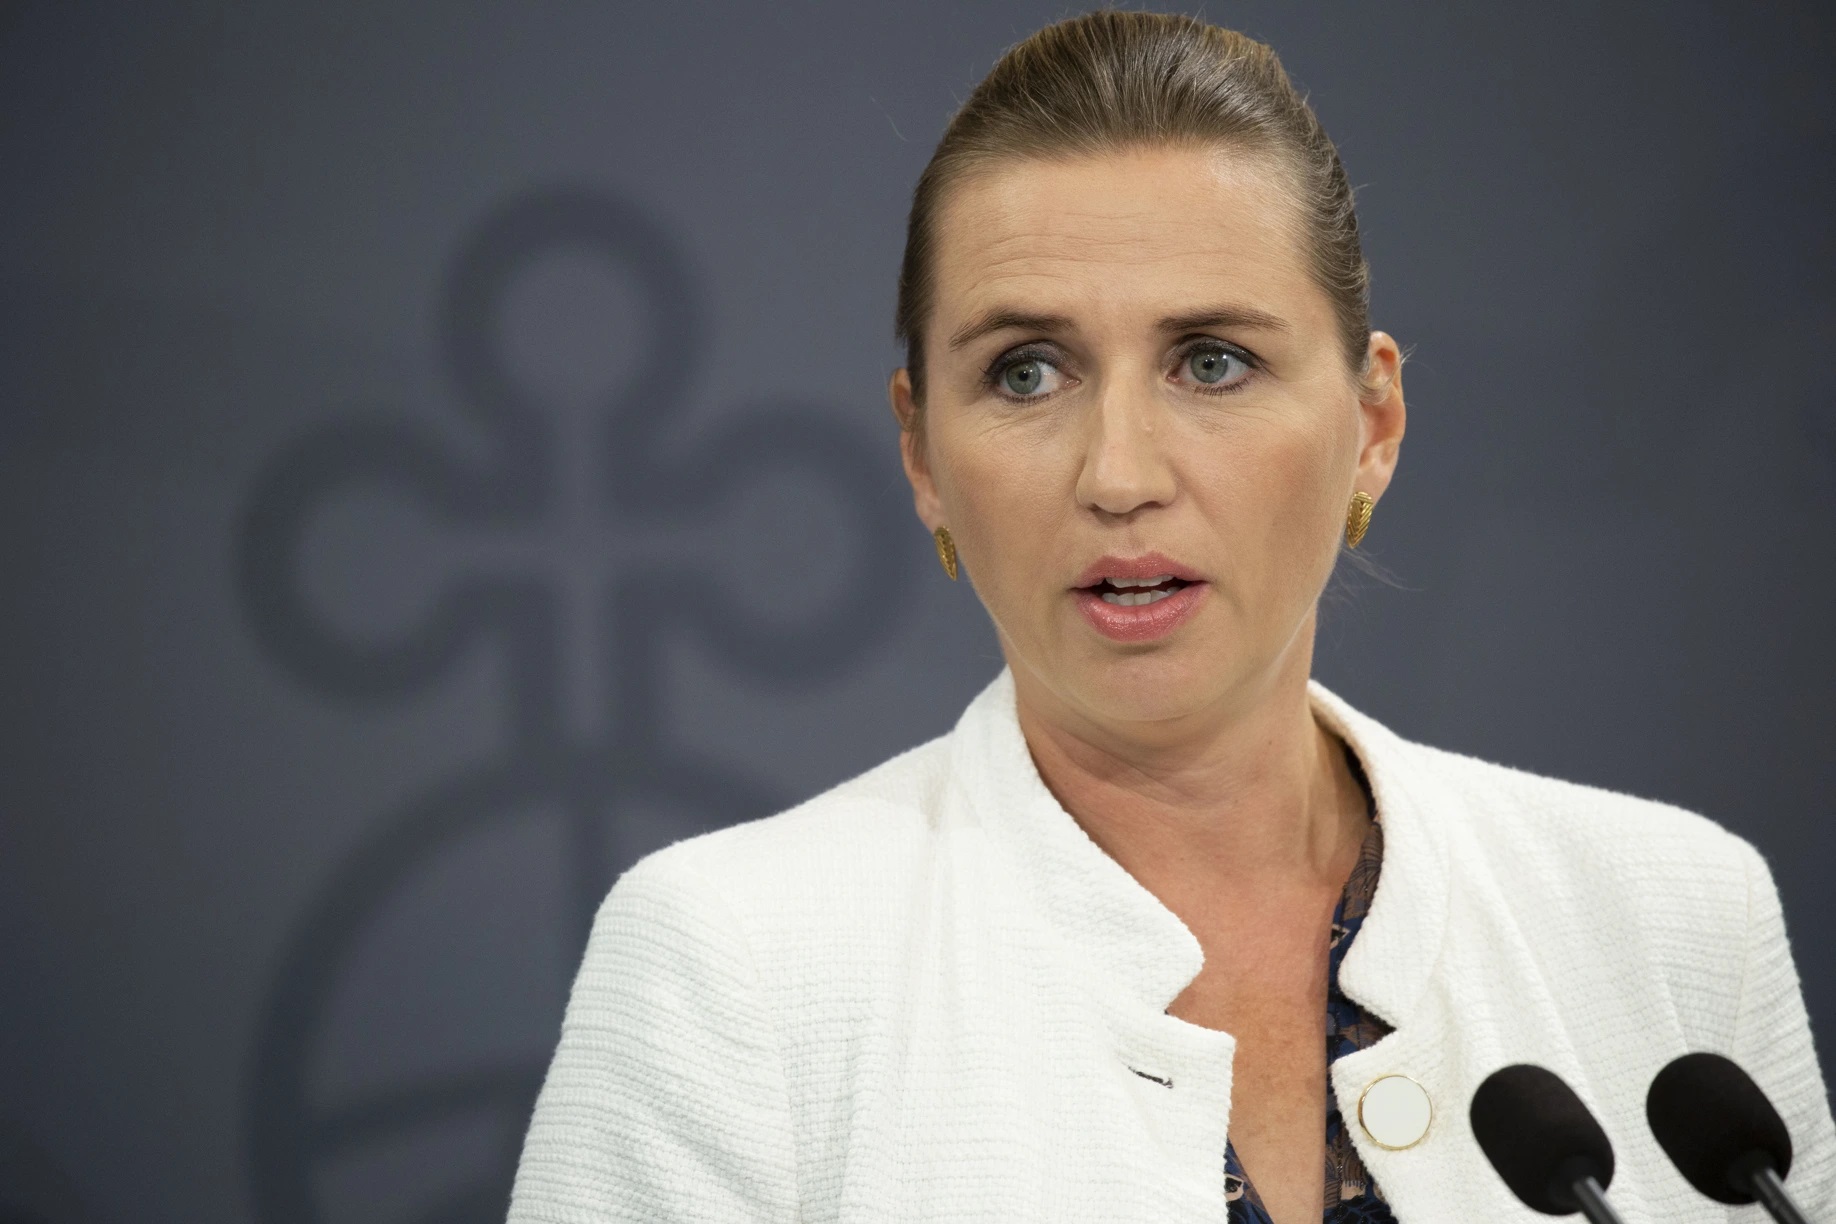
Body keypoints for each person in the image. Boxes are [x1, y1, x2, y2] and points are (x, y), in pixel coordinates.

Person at [506, 12, 1833, 1222]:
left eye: (1213, 361)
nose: (1120, 474)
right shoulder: (728, 964)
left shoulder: (1678, 918)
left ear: (1372, 424)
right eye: (1027, 373)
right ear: (922, 456)